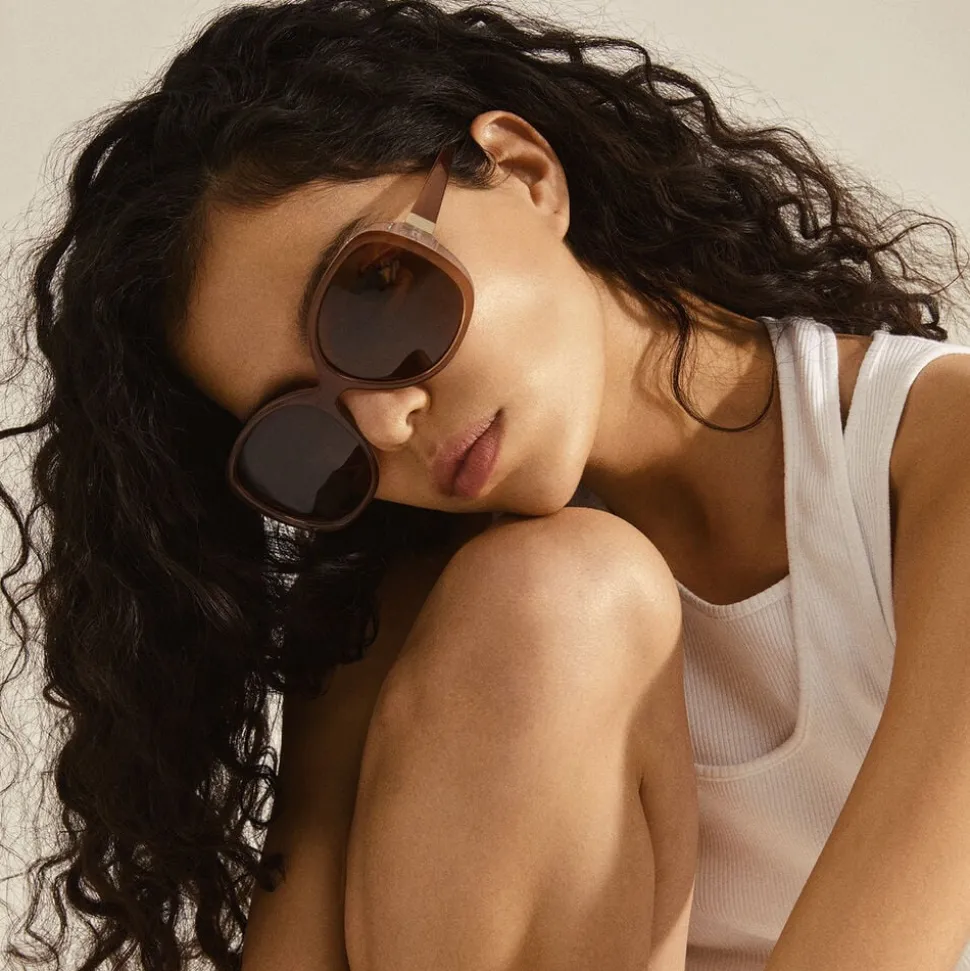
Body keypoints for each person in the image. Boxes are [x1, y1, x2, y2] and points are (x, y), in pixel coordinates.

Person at [2, 0, 970, 969]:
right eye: (303, 424)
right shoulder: (421, 619)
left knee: (561, 594)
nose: (385, 423)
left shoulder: (937, 458)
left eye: (371, 297)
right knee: (552, 597)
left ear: (523, 172)